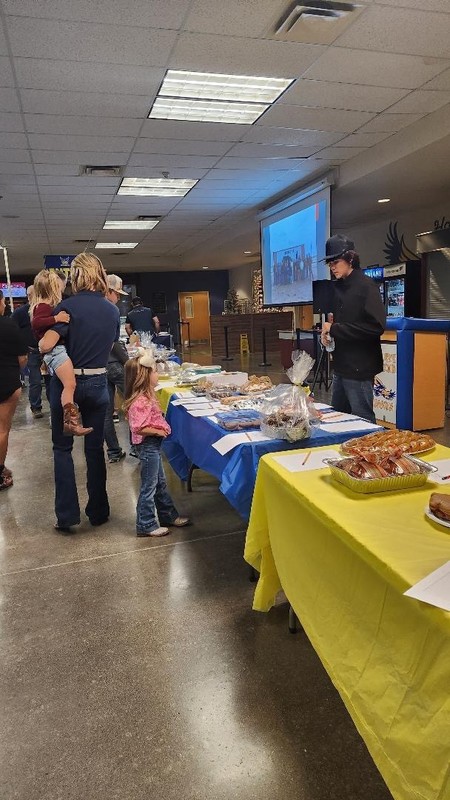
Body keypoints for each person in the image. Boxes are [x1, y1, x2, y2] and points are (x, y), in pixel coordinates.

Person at [39, 252, 120, 532]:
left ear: (75, 275)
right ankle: (98, 511)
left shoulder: (66, 306)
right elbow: (110, 348)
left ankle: (67, 515)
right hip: (99, 382)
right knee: (95, 448)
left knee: (62, 449)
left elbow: (49, 343)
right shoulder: (112, 310)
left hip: (66, 385)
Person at [123, 351, 190, 537]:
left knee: (160, 482)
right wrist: (158, 431)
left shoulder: (148, 396)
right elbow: (138, 427)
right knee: (149, 486)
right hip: (148, 446)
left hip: (152, 446)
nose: (157, 374)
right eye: (154, 371)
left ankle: (168, 514)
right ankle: (145, 524)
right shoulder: (140, 401)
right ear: (144, 376)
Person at [320, 234, 386, 424]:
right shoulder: (339, 287)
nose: (332, 267)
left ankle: (367, 454)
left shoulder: (367, 286)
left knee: (362, 421)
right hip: (341, 365)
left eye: (336, 262)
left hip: (360, 367)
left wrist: (335, 329)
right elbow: (339, 324)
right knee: (337, 420)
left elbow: (376, 326)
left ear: (350, 259)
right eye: (329, 263)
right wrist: (328, 336)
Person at [31, 269, 92, 436]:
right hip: (56, 351)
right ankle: (71, 423)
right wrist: (56, 319)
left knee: (68, 385)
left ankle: (70, 421)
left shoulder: (40, 305)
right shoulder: (43, 306)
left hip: (54, 352)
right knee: (70, 385)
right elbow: (37, 323)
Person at [0, 289, 28, 490]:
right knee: (2, 430)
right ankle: (0, 472)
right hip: (7, 382)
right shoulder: (9, 325)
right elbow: (22, 358)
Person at [104, 274, 129, 463]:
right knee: (134, 403)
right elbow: (112, 343)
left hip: (98, 366)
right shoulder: (110, 310)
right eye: (117, 294)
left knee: (106, 413)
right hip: (115, 365)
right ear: (109, 291)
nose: (118, 298)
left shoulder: (92, 309)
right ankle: (138, 447)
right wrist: (129, 362)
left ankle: (113, 452)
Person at [12, 285, 44, 418]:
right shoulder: (20, 313)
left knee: (51, 381)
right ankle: (36, 407)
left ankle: (56, 407)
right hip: (31, 351)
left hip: (46, 351)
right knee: (35, 380)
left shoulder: (43, 310)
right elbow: (13, 330)